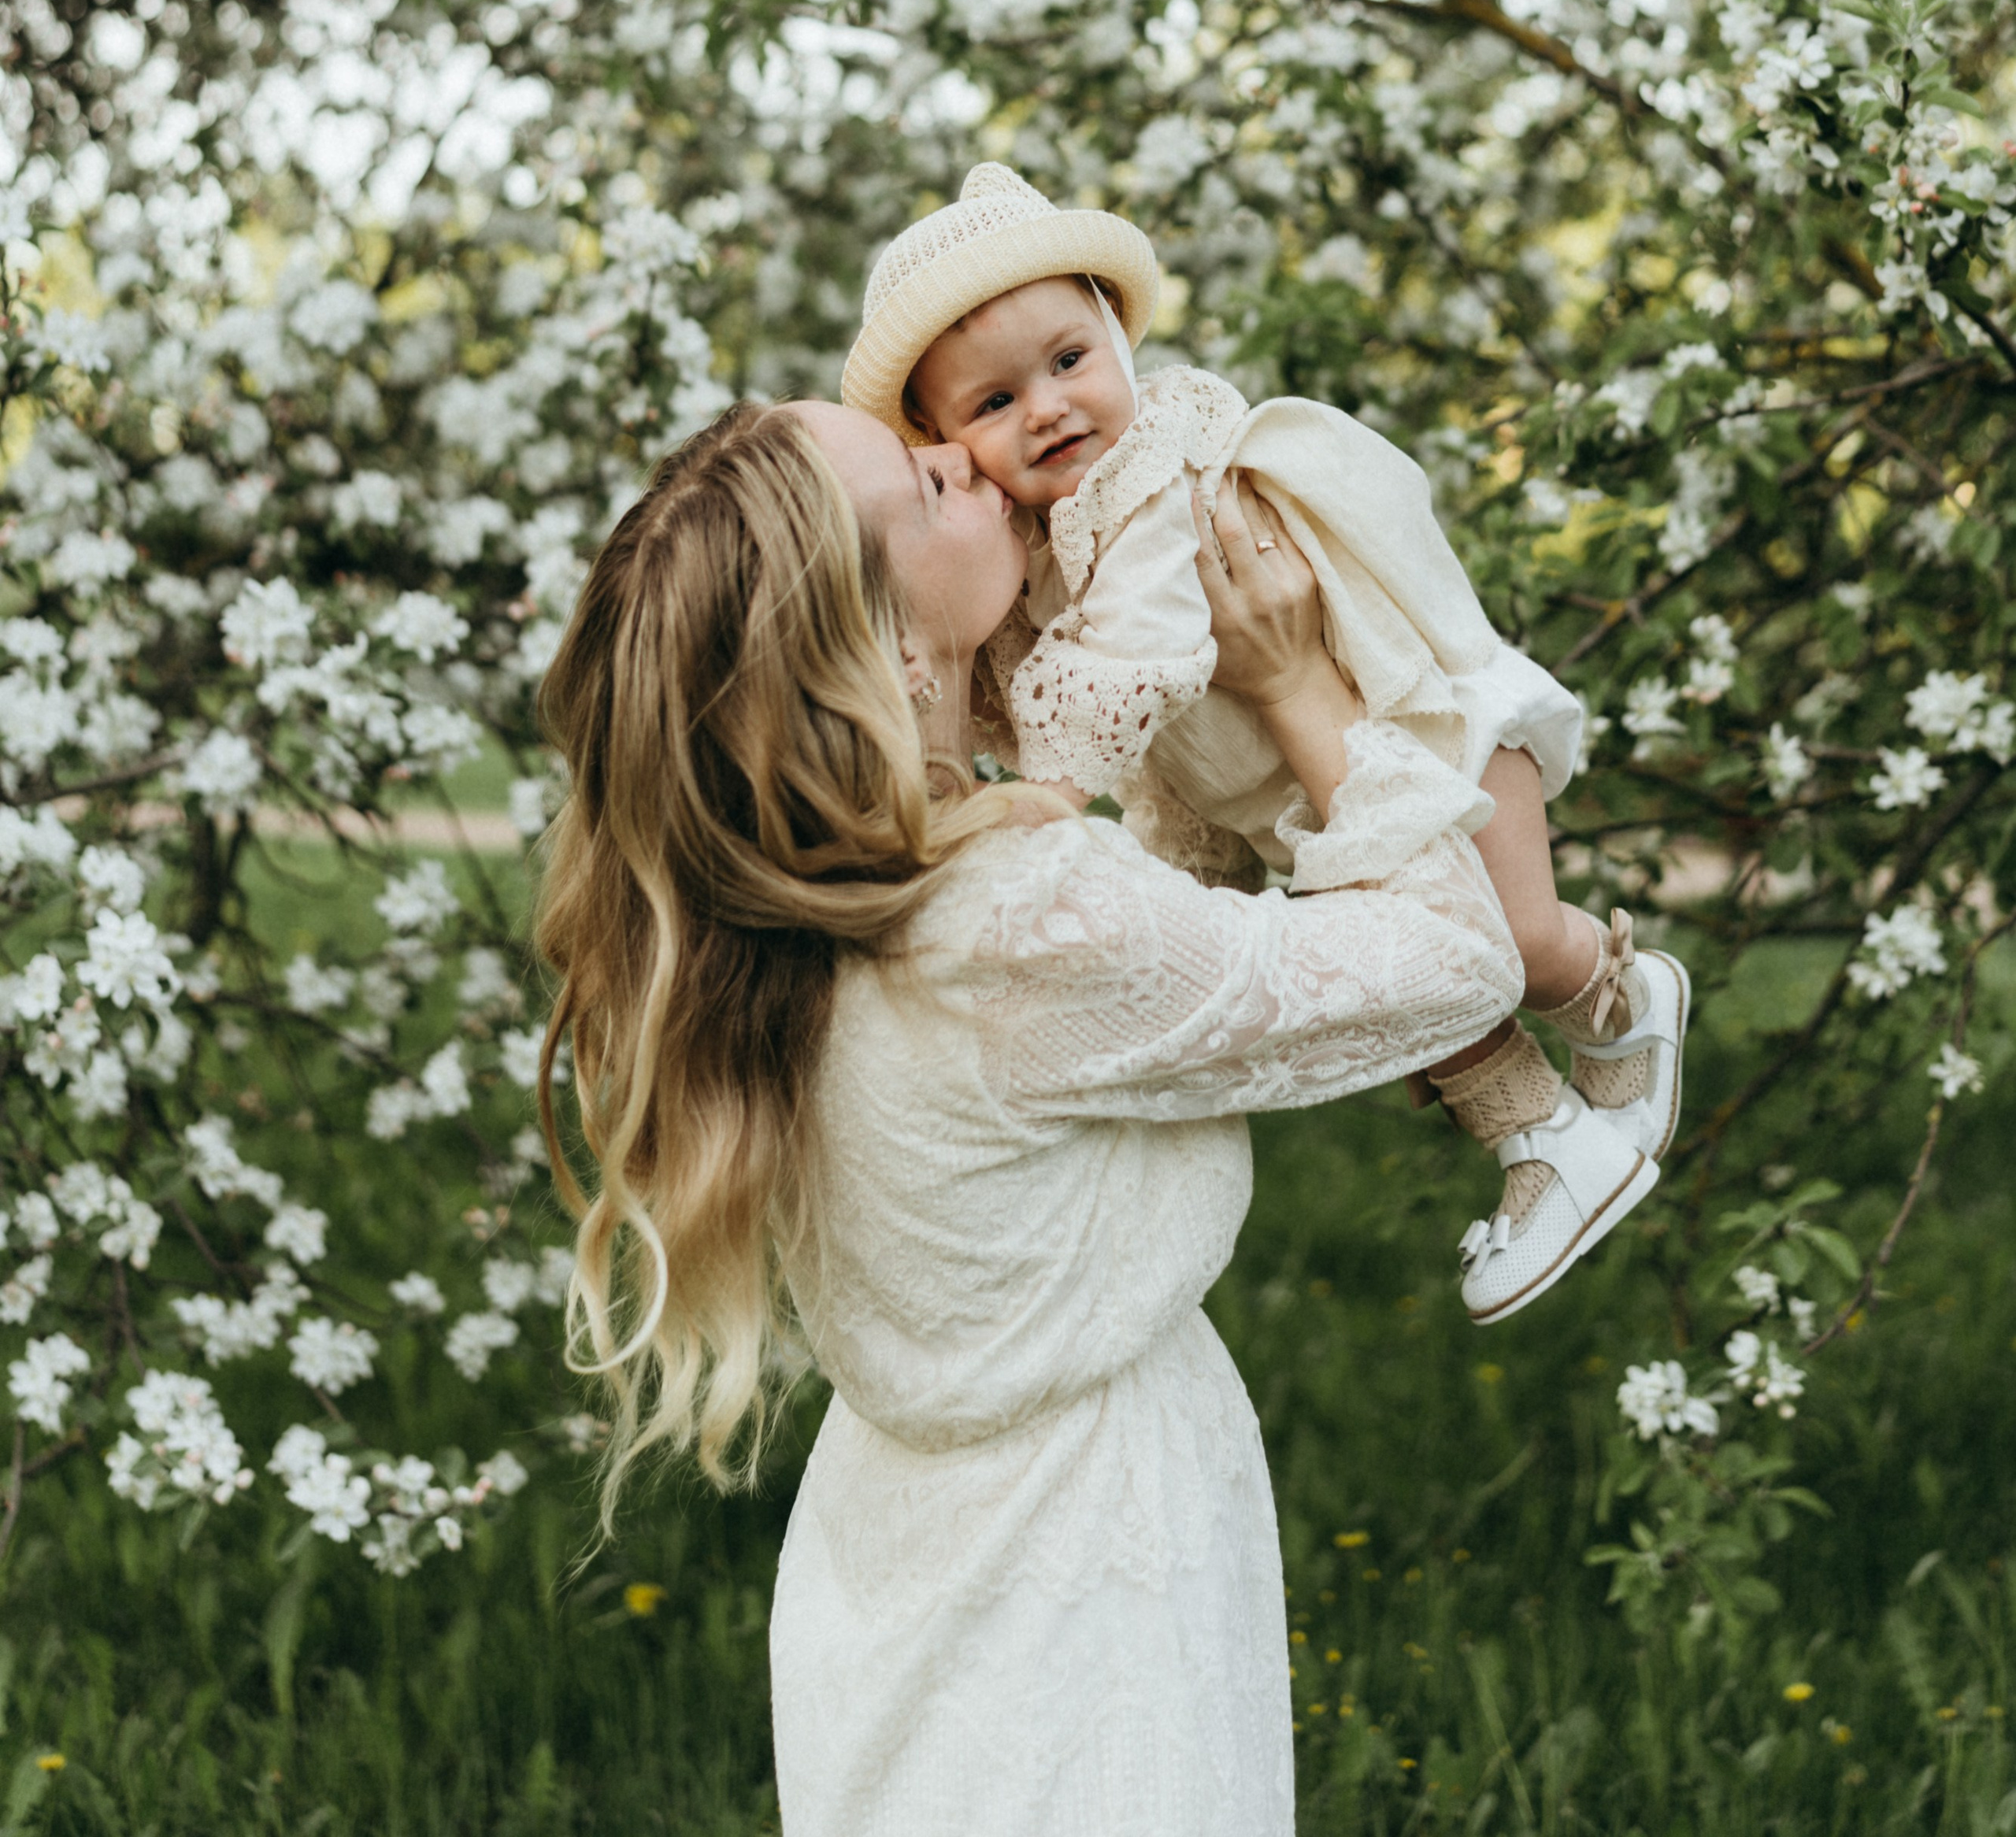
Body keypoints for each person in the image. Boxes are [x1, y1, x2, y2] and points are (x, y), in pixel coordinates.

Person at [534, 396, 1530, 1837]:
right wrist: (1301, 686)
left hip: (889, 1561)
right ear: (883, 646)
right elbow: (1460, 958)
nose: (967, 456)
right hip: (1090, 1561)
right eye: (921, 483)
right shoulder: (1016, 923)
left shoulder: (767, 920)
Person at [839, 163, 1687, 1322]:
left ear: (1120, 342)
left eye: (1069, 360)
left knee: (1518, 937)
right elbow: (1102, 719)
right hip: (1314, 791)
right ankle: (1544, 1144)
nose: (1044, 407)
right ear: (939, 434)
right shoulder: (1033, 541)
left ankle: (1626, 998)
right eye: (992, 405)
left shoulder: (1153, 480)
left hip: (1421, 732)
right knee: (1407, 988)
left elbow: (1135, 662)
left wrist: (1048, 791)